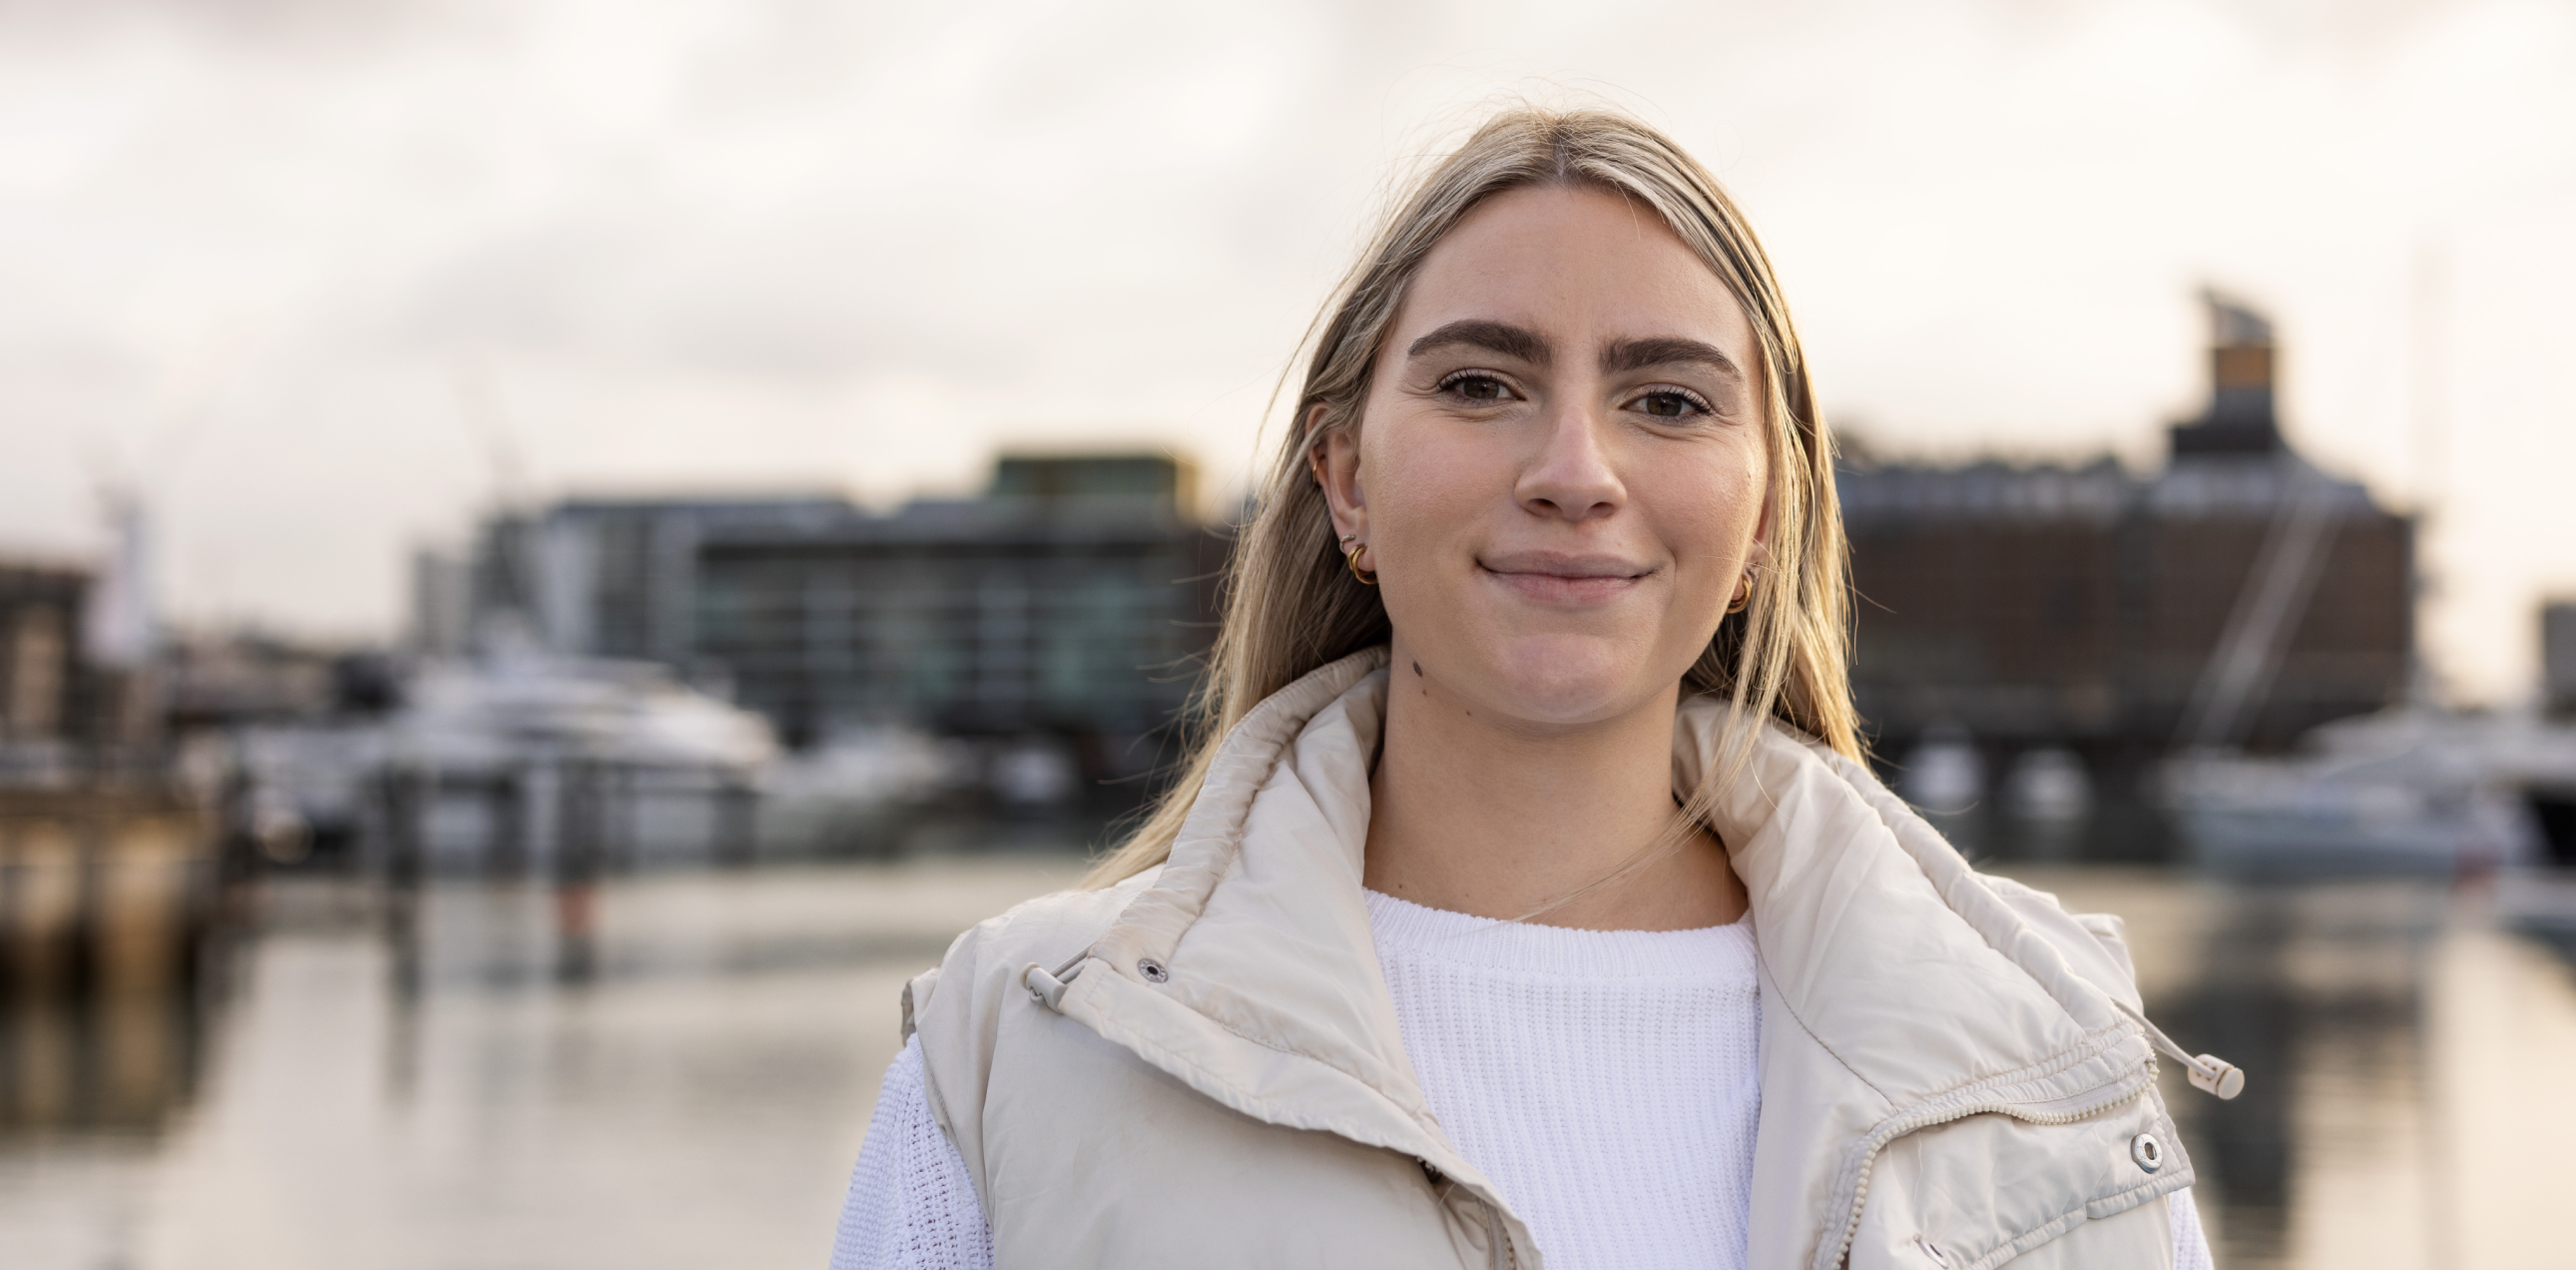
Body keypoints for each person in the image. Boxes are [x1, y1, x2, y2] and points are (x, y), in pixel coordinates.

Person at [829, 105, 2237, 1270]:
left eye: (1669, 400)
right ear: (1345, 478)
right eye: (1482, 384)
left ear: (1761, 521)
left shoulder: (2051, 1066)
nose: (1575, 470)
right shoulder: (1022, 1049)